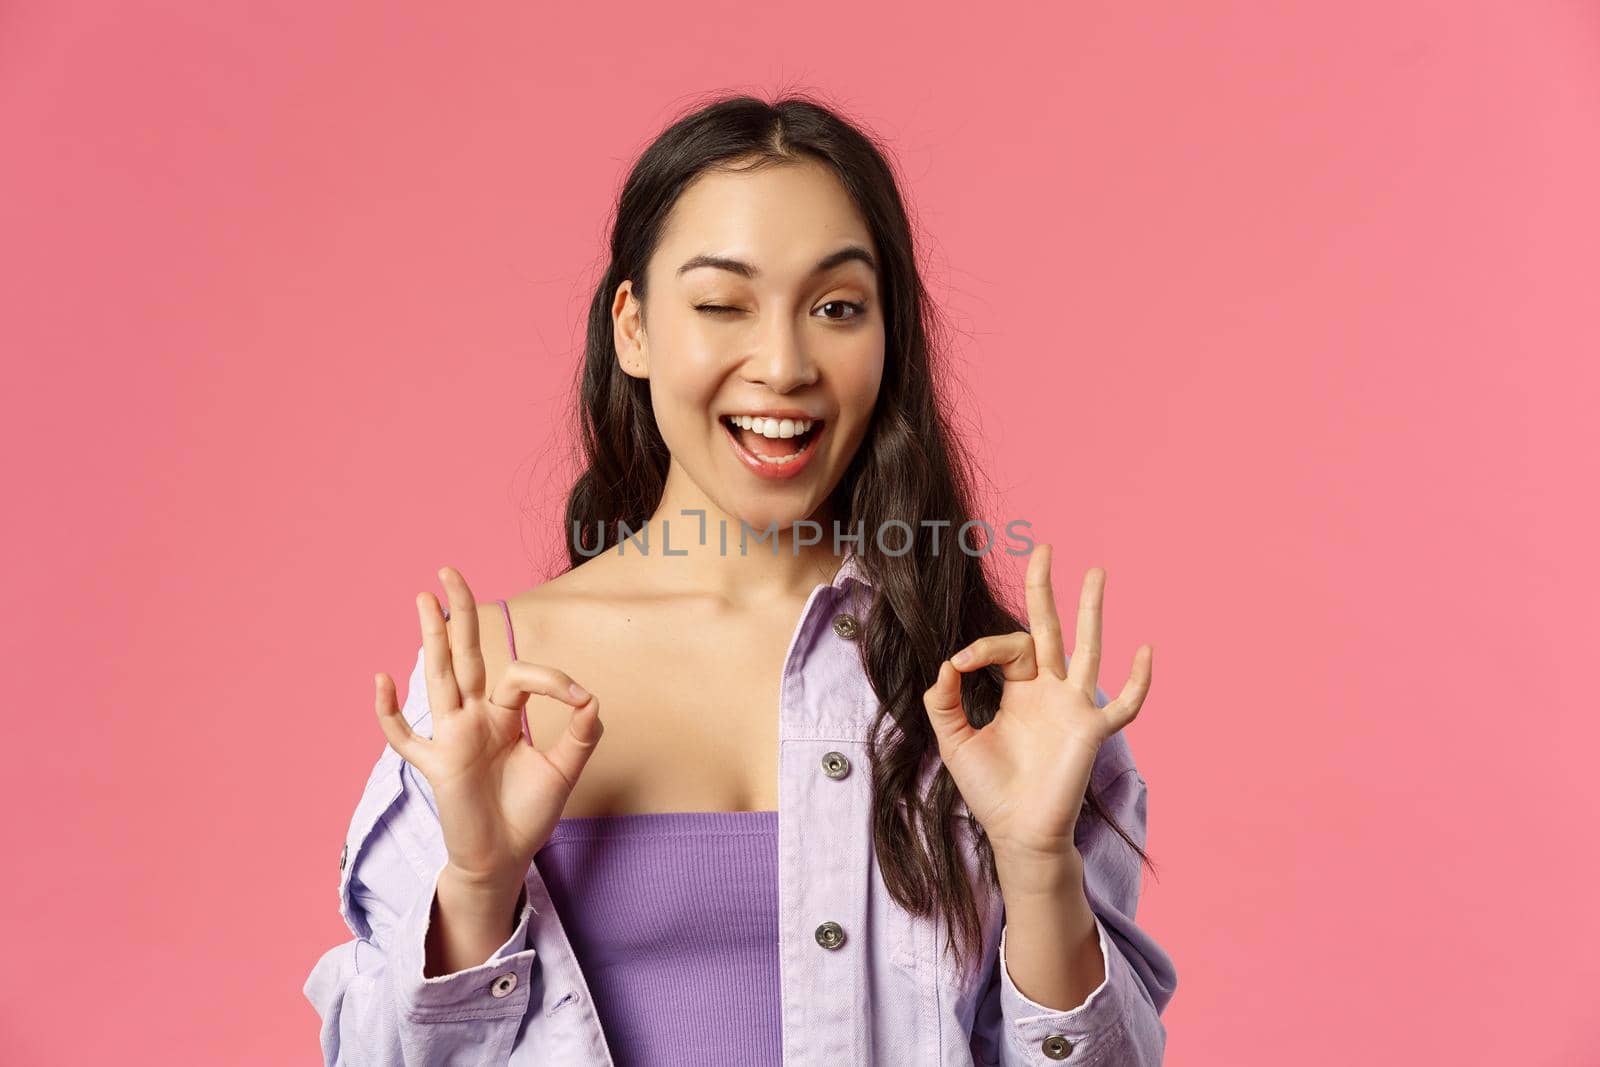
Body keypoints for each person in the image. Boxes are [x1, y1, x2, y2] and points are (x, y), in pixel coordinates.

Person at [303, 92, 1178, 1065]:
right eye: (722, 304)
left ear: (889, 339)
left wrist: (1038, 863)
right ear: (631, 326)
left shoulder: (992, 695)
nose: (784, 363)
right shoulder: (494, 685)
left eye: (837, 307)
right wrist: (475, 883)